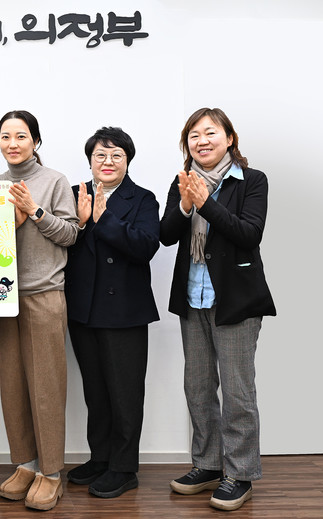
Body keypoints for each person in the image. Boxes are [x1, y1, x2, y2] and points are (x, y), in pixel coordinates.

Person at [161, 108, 276, 511]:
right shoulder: (182, 181)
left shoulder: (252, 180)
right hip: (192, 298)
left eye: (210, 133)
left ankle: (239, 473)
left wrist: (205, 203)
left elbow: (249, 234)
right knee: (197, 387)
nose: (202, 141)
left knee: (237, 392)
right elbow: (165, 236)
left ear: (229, 138)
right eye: (194, 135)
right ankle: (208, 465)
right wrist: (185, 205)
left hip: (235, 300)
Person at [0, 110, 80, 511]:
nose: (13, 143)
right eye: (5, 136)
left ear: (36, 141)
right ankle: (25, 464)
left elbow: (71, 234)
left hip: (44, 295)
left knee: (47, 386)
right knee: (12, 385)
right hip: (2, 297)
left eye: (21, 136)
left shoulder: (54, 181)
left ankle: (52, 472)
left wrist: (35, 210)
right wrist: (9, 222)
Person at [64, 127, 160, 498]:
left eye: (116, 155)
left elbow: (146, 246)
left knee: (125, 393)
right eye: (100, 155)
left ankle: (124, 468)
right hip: (83, 309)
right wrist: (82, 221)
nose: (108, 162)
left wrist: (104, 219)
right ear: (90, 161)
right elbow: (62, 241)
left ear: (127, 161)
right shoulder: (75, 194)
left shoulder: (143, 199)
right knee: (96, 391)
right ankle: (101, 457)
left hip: (124, 311)